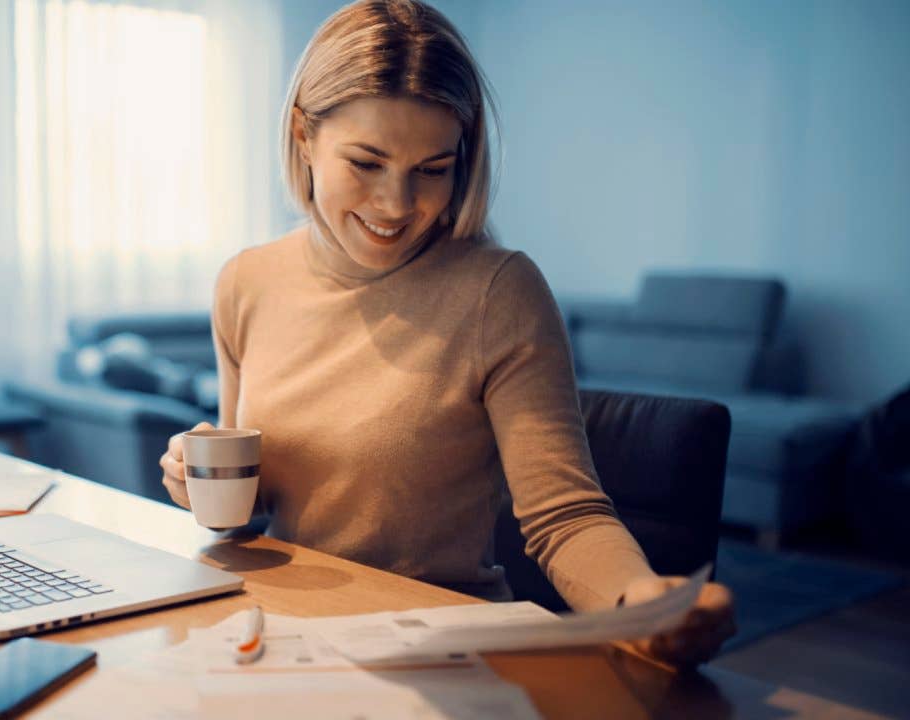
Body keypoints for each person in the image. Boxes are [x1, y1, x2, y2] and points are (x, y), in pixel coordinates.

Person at [159, 0, 734, 667]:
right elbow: (247, 507)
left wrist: (644, 604)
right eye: (367, 163)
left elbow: (564, 517)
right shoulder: (245, 282)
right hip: (288, 637)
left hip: (439, 650)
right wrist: (196, 481)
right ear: (303, 137)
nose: (398, 206)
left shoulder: (499, 290)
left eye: (433, 169)